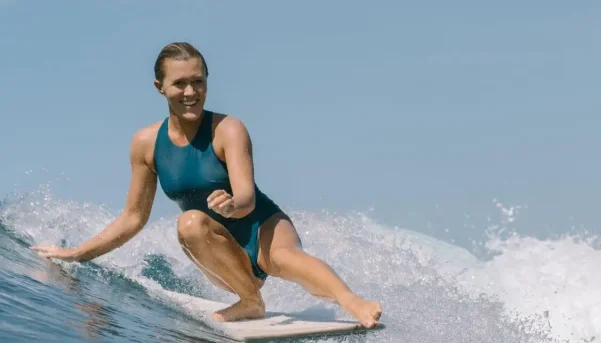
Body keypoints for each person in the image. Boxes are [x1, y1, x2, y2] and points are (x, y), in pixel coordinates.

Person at [31, 42, 382, 328]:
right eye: (180, 83)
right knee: (189, 223)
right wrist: (77, 253)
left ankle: (353, 302)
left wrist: (233, 204)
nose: (191, 92)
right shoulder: (145, 144)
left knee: (283, 258)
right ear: (160, 87)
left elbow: (246, 196)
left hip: (262, 228)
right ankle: (250, 300)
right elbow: (133, 218)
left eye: (198, 81)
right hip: (215, 249)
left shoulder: (227, 129)